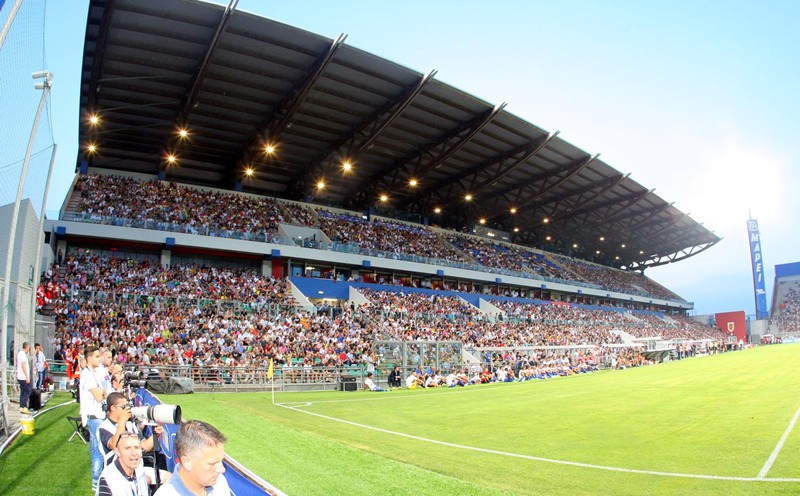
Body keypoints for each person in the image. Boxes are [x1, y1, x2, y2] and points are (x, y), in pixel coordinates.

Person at [154, 420, 231, 496]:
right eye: (213, 463)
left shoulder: (219, 481)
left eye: (221, 461)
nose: (222, 469)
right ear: (187, 462)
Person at [81, 345, 109, 492]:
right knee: (98, 450)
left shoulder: (94, 372)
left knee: (97, 448)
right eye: (97, 357)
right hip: (94, 416)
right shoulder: (87, 375)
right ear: (89, 358)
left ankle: (97, 479)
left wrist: (102, 392)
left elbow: (103, 391)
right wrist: (102, 393)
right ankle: (96, 480)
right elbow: (99, 396)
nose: (100, 359)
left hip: (97, 415)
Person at [96, 431, 150, 496]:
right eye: (127, 448)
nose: (134, 453)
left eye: (137, 448)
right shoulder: (109, 478)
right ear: (117, 451)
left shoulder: (139, 470)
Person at [16, 342, 31, 414]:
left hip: (20, 376)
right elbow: (23, 365)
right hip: (23, 377)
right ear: (27, 347)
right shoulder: (23, 355)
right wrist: (27, 376)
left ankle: (21, 406)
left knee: (23, 391)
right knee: (28, 391)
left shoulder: (19, 353)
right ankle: (24, 406)